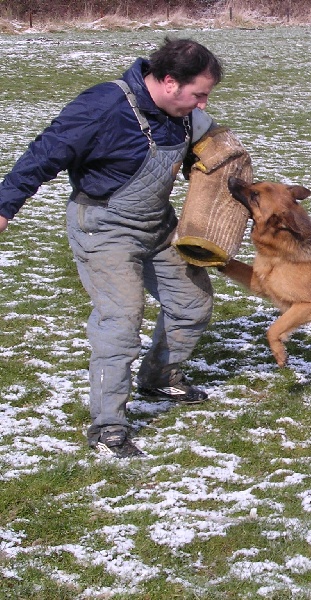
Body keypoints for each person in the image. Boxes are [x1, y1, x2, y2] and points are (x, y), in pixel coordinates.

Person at [0, 37, 224, 458]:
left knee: (192, 305)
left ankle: (158, 377)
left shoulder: (183, 116)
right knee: (120, 323)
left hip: (157, 226)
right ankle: (108, 427)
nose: (203, 104)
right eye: (199, 95)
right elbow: (44, 153)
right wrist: (4, 206)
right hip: (104, 229)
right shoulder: (104, 106)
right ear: (170, 82)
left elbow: (210, 151)